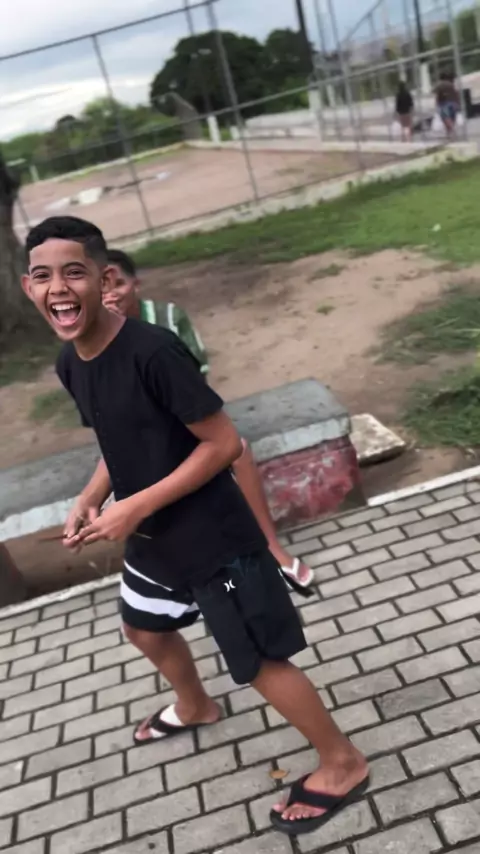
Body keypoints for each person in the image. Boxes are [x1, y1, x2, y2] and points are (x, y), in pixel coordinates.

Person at [22, 215, 368, 836]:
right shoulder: (71, 362)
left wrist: (133, 506)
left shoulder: (153, 352)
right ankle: (195, 705)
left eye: (74, 272)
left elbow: (224, 443)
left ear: (103, 278)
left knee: (259, 661)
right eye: (43, 276)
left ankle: (342, 763)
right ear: (29, 288)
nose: (59, 288)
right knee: (143, 628)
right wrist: (92, 496)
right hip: (152, 540)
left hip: (215, 542)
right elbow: (118, 440)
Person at [102, 248, 313, 593]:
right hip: (139, 436)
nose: (113, 295)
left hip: (185, 421)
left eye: (120, 284)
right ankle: (185, 578)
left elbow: (195, 383)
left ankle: (272, 549)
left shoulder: (168, 318)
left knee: (237, 451)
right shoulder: (95, 335)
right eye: (103, 289)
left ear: (136, 284)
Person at [435, 72, 460, 137]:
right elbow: (456, 93)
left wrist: (436, 104)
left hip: (444, 103)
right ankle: (449, 134)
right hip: (453, 103)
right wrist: (458, 102)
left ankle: (452, 132)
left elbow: (436, 94)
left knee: (445, 118)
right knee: (452, 118)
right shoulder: (451, 84)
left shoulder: (440, 84)